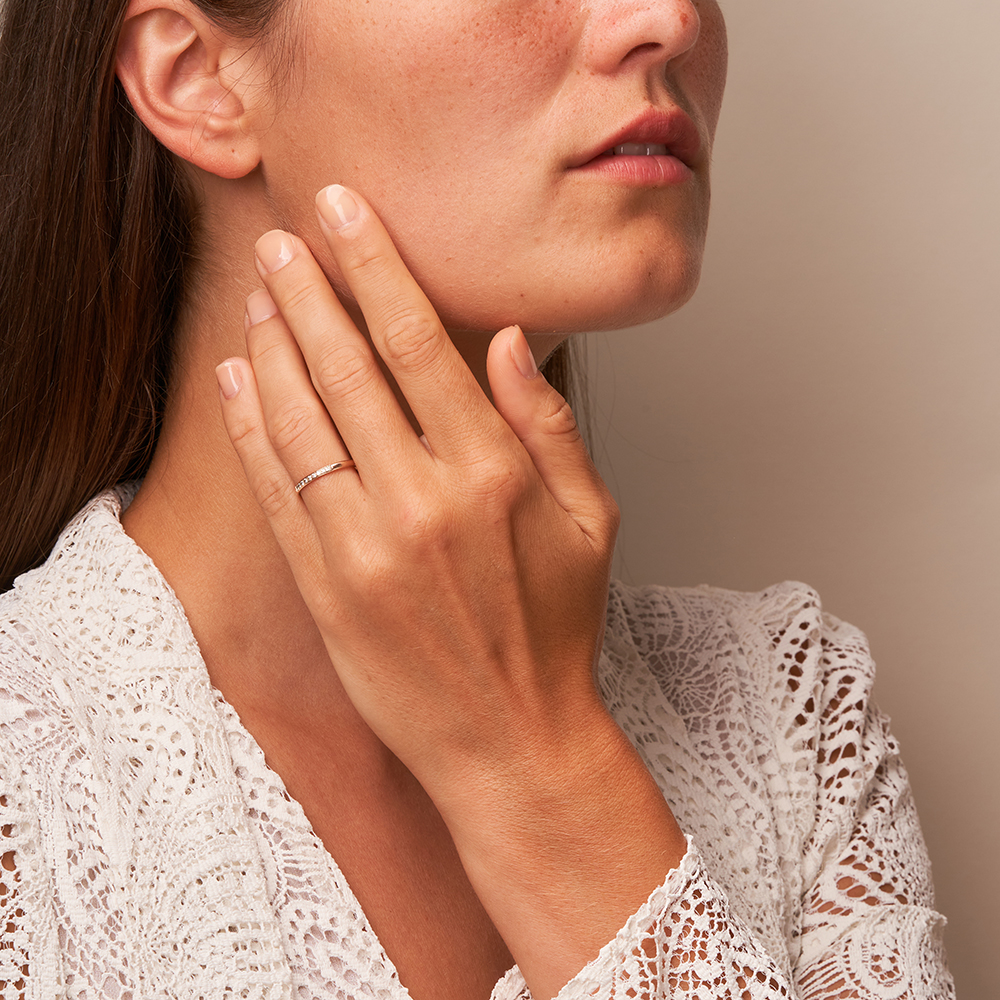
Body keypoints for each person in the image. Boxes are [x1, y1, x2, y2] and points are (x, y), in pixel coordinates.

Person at [0, 0, 954, 997]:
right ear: (192, 76)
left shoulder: (784, 724)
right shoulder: (23, 795)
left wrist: (536, 762)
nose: (669, 20)